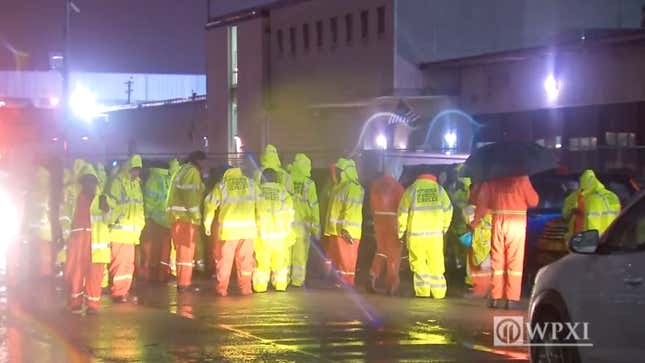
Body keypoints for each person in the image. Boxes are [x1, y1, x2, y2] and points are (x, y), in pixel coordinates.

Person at [473, 175, 539, 309]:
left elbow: (483, 201)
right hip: (516, 222)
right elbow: (533, 201)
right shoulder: (522, 178)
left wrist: (476, 221)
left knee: (497, 259)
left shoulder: (493, 179)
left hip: (498, 220)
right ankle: (511, 299)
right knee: (515, 260)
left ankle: (496, 298)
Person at [63, 164, 112, 314]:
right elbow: (65, 218)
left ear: (96, 183)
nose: (89, 185)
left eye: (92, 181)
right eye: (86, 181)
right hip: (78, 241)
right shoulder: (73, 198)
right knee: (76, 273)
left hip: (97, 243)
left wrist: (107, 209)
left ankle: (92, 305)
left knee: (95, 275)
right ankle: (75, 302)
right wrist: (65, 238)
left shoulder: (103, 199)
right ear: (82, 183)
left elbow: (109, 220)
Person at [203, 166, 257, 296]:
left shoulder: (222, 185)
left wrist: (207, 223)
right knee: (246, 261)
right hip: (248, 230)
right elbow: (261, 203)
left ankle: (222, 289)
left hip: (229, 231)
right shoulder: (251, 184)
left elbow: (210, 204)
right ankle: (246, 289)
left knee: (225, 262)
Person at [398, 172, 453, 298]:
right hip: (435, 237)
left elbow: (402, 212)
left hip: (416, 236)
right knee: (436, 264)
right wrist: (444, 227)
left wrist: (401, 231)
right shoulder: (439, 190)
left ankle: (423, 293)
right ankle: (439, 293)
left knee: (419, 264)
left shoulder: (412, 190)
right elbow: (449, 210)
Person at [166, 152, 206, 292]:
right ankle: (184, 284)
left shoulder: (182, 170)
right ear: (198, 161)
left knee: (183, 252)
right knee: (186, 252)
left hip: (178, 218)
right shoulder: (192, 172)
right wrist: (196, 216)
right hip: (185, 218)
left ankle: (184, 282)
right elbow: (191, 196)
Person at [108, 155, 145, 303]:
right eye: (135, 169)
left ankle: (123, 291)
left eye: (138, 170)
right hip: (118, 231)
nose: (137, 173)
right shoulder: (117, 182)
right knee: (119, 264)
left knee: (128, 264)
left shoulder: (136, 185)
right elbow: (111, 205)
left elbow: (140, 207)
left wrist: (140, 226)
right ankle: (118, 292)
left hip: (130, 233)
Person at [323, 158, 364, 287]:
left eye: (340, 171)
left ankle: (348, 283)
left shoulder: (353, 187)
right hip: (336, 230)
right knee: (339, 259)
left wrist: (346, 229)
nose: (338, 173)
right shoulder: (339, 187)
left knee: (347, 260)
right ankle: (340, 282)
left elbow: (351, 208)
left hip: (347, 231)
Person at [253, 168, 295, 292]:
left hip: (262, 235)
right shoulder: (284, 193)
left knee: (262, 263)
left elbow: (253, 212)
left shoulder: (258, 191)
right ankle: (281, 286)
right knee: (280, 263)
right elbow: (290, 213)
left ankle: (260, 287)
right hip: (280, 235)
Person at [368, 161, 404, 295]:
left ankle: (373, 274)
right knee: (393, 253)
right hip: (393, 222)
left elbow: (371, 206)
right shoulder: (398, 187)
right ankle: (391, 284)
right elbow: (402, 208)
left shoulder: (376, 185)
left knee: (381, 250)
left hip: (378, 221)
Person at [140, 160, 178, 281]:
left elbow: (148, 202)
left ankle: (152, 276)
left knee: (152, 251)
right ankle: (163, 275)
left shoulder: (153, 180)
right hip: (167, 221)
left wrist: (146, 217)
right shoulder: (168, 180)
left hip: (154, 221)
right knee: (165, 251)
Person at [289, 153, 320, 287]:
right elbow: (314, 206)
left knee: (286, 254)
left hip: (286, 225)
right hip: (302, 227)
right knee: (300, 256)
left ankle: (282, 280)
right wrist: (316, 227)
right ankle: (297, 280)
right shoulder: (309, 184)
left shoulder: (286, 179)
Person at [462, 182, 492, 298]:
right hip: (482, 242)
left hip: (484, 242)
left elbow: (471, 222)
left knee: (483, 266)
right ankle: (482, 289)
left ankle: (481, 290)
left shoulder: (472, 209)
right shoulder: (470, 209)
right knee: (483, 266)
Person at [25, 166, 54, 279]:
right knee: (45, 259)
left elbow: (29, 213)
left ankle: (41, 277)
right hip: (45, 232)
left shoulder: (32, 193)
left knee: (40, 258)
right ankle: (45, 278)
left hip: (37, 232)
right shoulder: (49, 192)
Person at [578, 170, 621, 236]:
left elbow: (592, 224)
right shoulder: (613, 195)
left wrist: (589, 241)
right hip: (613, 238)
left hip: (599, 240)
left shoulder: (593, 199)